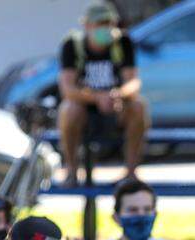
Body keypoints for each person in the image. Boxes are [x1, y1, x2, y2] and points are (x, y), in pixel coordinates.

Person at [57, 2, 148, 185]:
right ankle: (72, 170)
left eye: (109, 23)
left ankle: (131, 173)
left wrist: (118, 94)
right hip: (84, 110)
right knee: (69, 109)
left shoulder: (123, 42)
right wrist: (96, 97)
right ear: (87, 25)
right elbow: (67, 89)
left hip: (116, 107)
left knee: (139, 106)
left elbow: (133, 82)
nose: (105, 28)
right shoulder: (73, 45)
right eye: (100, 24)